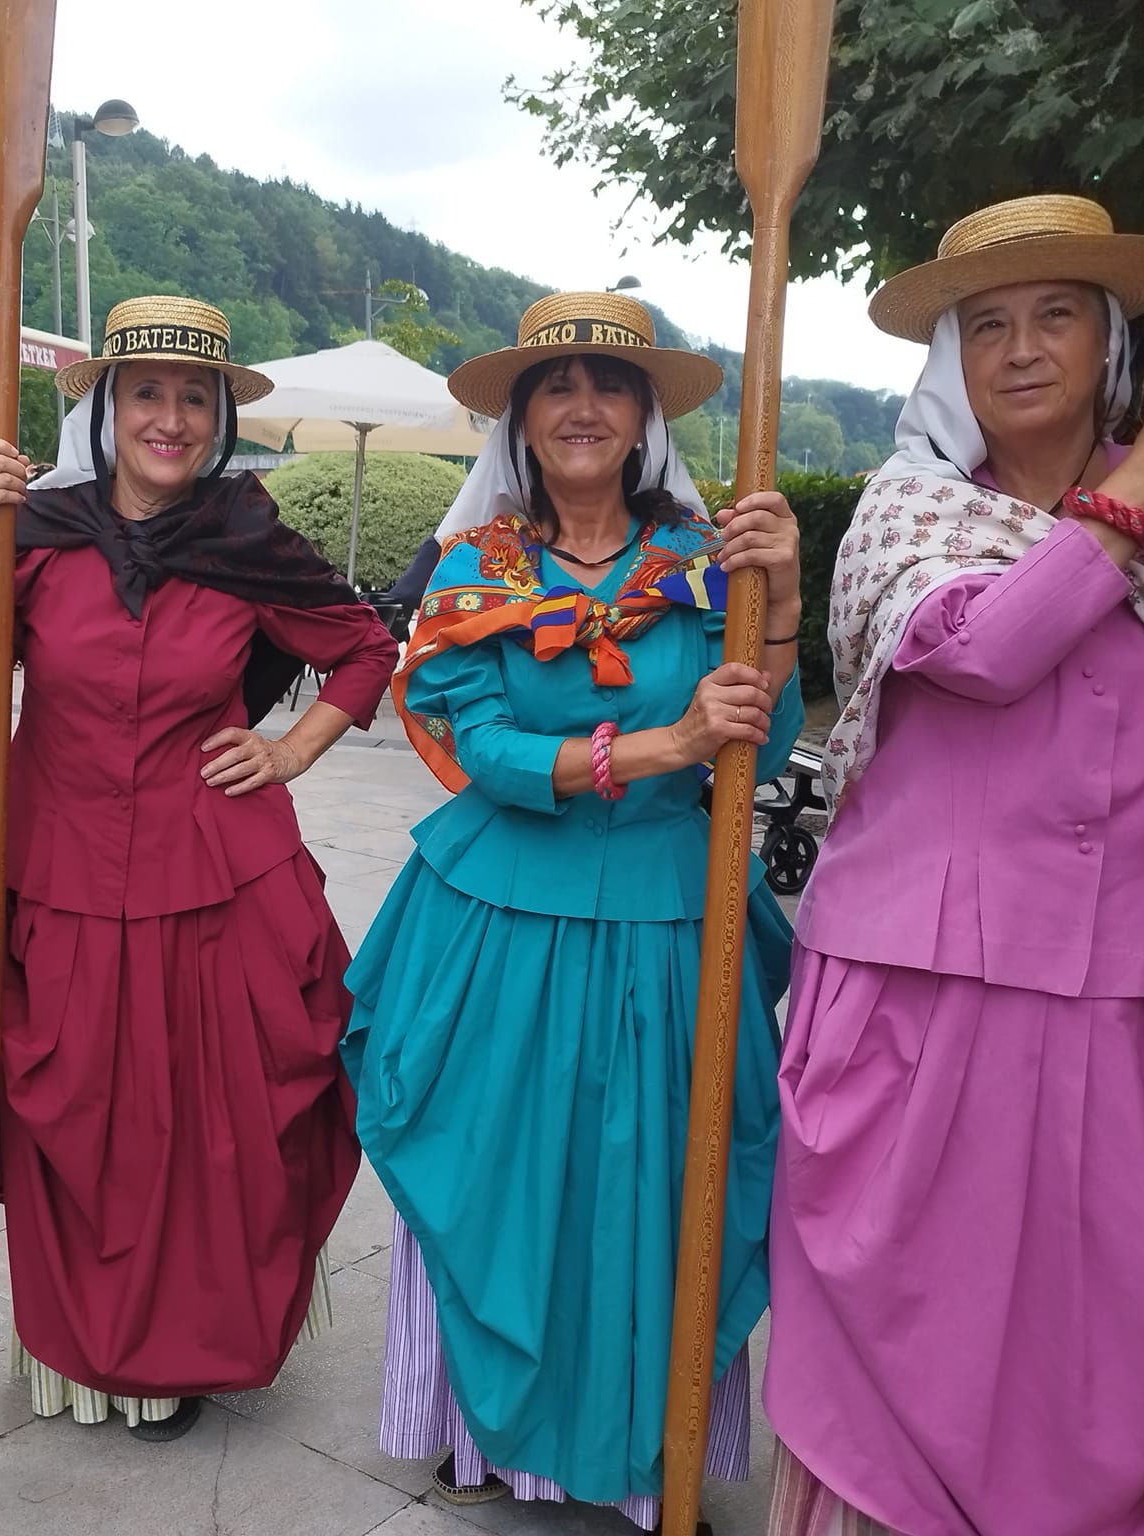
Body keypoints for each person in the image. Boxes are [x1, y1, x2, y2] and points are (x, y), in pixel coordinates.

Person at [764, 194, 1144, 1536]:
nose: (1019, 349)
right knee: (922, 1346)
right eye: (985, 324)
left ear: (1109, 337)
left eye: (1056, 314)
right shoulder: (910, 511)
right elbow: (989, 650)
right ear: (950, 360)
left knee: (1139, 1342)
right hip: (927, 994)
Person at [338, 292, 804, 1529]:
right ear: (521, 419)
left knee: (653, 1182)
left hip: (668, 917)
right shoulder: (474, 569)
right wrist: (663, 745)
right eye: (556, 384)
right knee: (496, 1173)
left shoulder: (706, 563)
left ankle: (645, 1449)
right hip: (498, 920)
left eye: (609, 383)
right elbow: (478, 745)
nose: (583, 405)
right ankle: (485, 1435)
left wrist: (782, 611)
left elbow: (765, 743)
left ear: (644, 415)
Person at [0, 296, 398, 1439]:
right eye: (146, 393)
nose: (169, 418)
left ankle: (193, 1340)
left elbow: (363, 648)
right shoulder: (35, 532)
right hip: (66, 881)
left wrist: (287, 750)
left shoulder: (246, 541)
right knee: (86, 1128)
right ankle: (86, 1356)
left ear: (218, 418)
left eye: (193, 397)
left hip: (217, 883)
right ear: (107, 409)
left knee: (211, 1130)